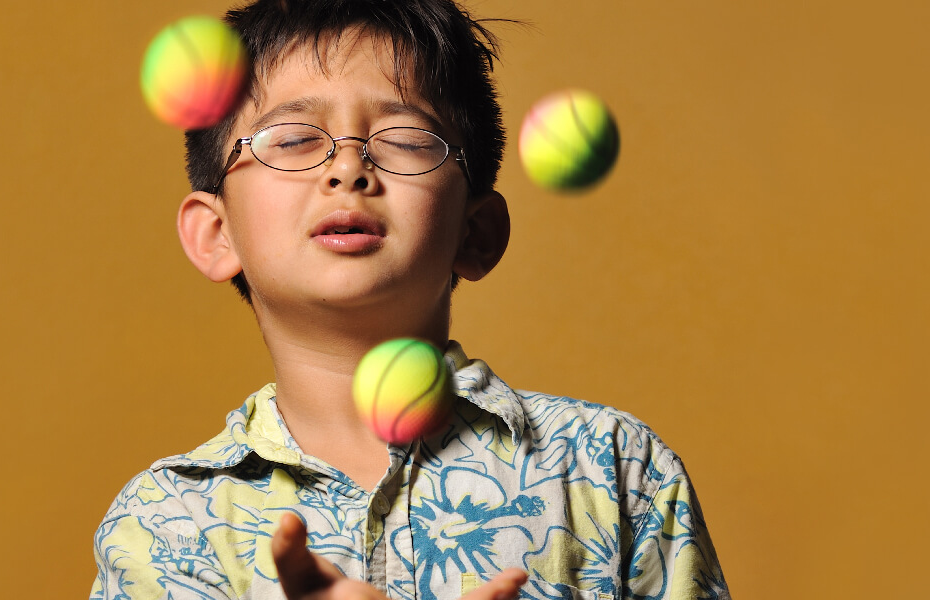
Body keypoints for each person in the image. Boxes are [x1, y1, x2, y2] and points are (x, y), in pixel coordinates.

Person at [91, 0, 731, 599]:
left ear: (477, 233)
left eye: (404, 140)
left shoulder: (613, 473)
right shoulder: (162, 524)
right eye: (291, 139)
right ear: (216, 234)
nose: (347, 169)